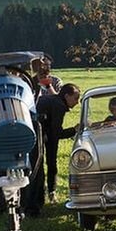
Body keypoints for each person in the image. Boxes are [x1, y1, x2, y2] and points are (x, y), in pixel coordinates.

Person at [24, 83, 80, 216]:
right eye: (76, 98)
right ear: (66, 96)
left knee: (40, 166)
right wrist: (74, 130)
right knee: (39, 169)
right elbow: (56, 133)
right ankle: (35, 204)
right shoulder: (59, 105)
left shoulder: (54, 100)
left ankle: (42, 197)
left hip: (34, 131)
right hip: (36, 133)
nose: (77, 102)